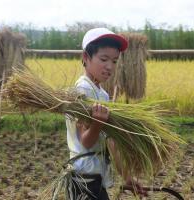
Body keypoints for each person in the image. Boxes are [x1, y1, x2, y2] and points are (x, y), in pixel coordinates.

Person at [65, 28, 147, 199]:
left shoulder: (102, 95)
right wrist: (97, 124)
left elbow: (111, 142)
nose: (110, 66)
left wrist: (127, 177)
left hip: (96, 177)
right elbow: (86, 142)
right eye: (103, 59)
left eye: (115, 61)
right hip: (83, 178)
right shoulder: (81, 90)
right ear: (86, 57)